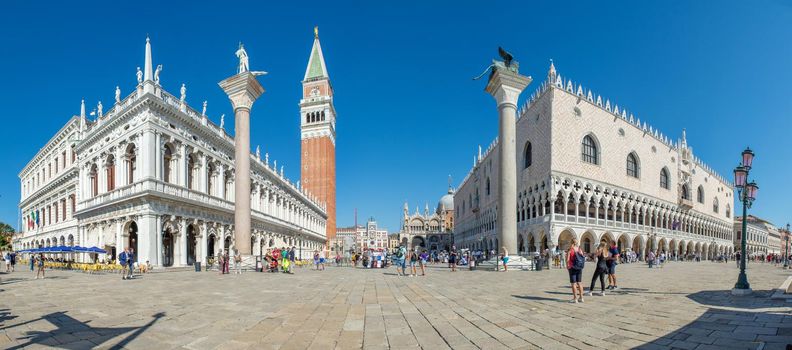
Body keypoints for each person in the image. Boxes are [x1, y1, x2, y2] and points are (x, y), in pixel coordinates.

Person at [567, 239, 585, 303]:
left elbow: (567, 260)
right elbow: (582, 257)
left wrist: (568, 267)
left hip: (573, 267)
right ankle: (581, 297)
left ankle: (575, 298)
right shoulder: (579, 249)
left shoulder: (570, 249)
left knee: (573, 283)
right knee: (579, 282)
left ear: (571, 242)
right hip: (579, 267)